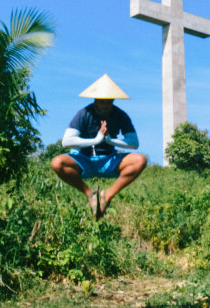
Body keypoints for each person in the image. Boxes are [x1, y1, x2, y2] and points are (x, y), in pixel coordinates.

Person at [50, 74, 147, 218]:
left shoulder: (120, 115)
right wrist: (96, 140)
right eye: (102, 101)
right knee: (57, 163)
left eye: (109, 101)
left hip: (109, 160)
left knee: (140, 160)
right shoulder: (84, 114)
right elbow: (67, 141)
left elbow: (134, 143)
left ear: (113, 100)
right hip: (84, 159)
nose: (105, 105)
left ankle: (107, 196)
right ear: (95, 99)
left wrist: (109, 140)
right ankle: (90, 194)